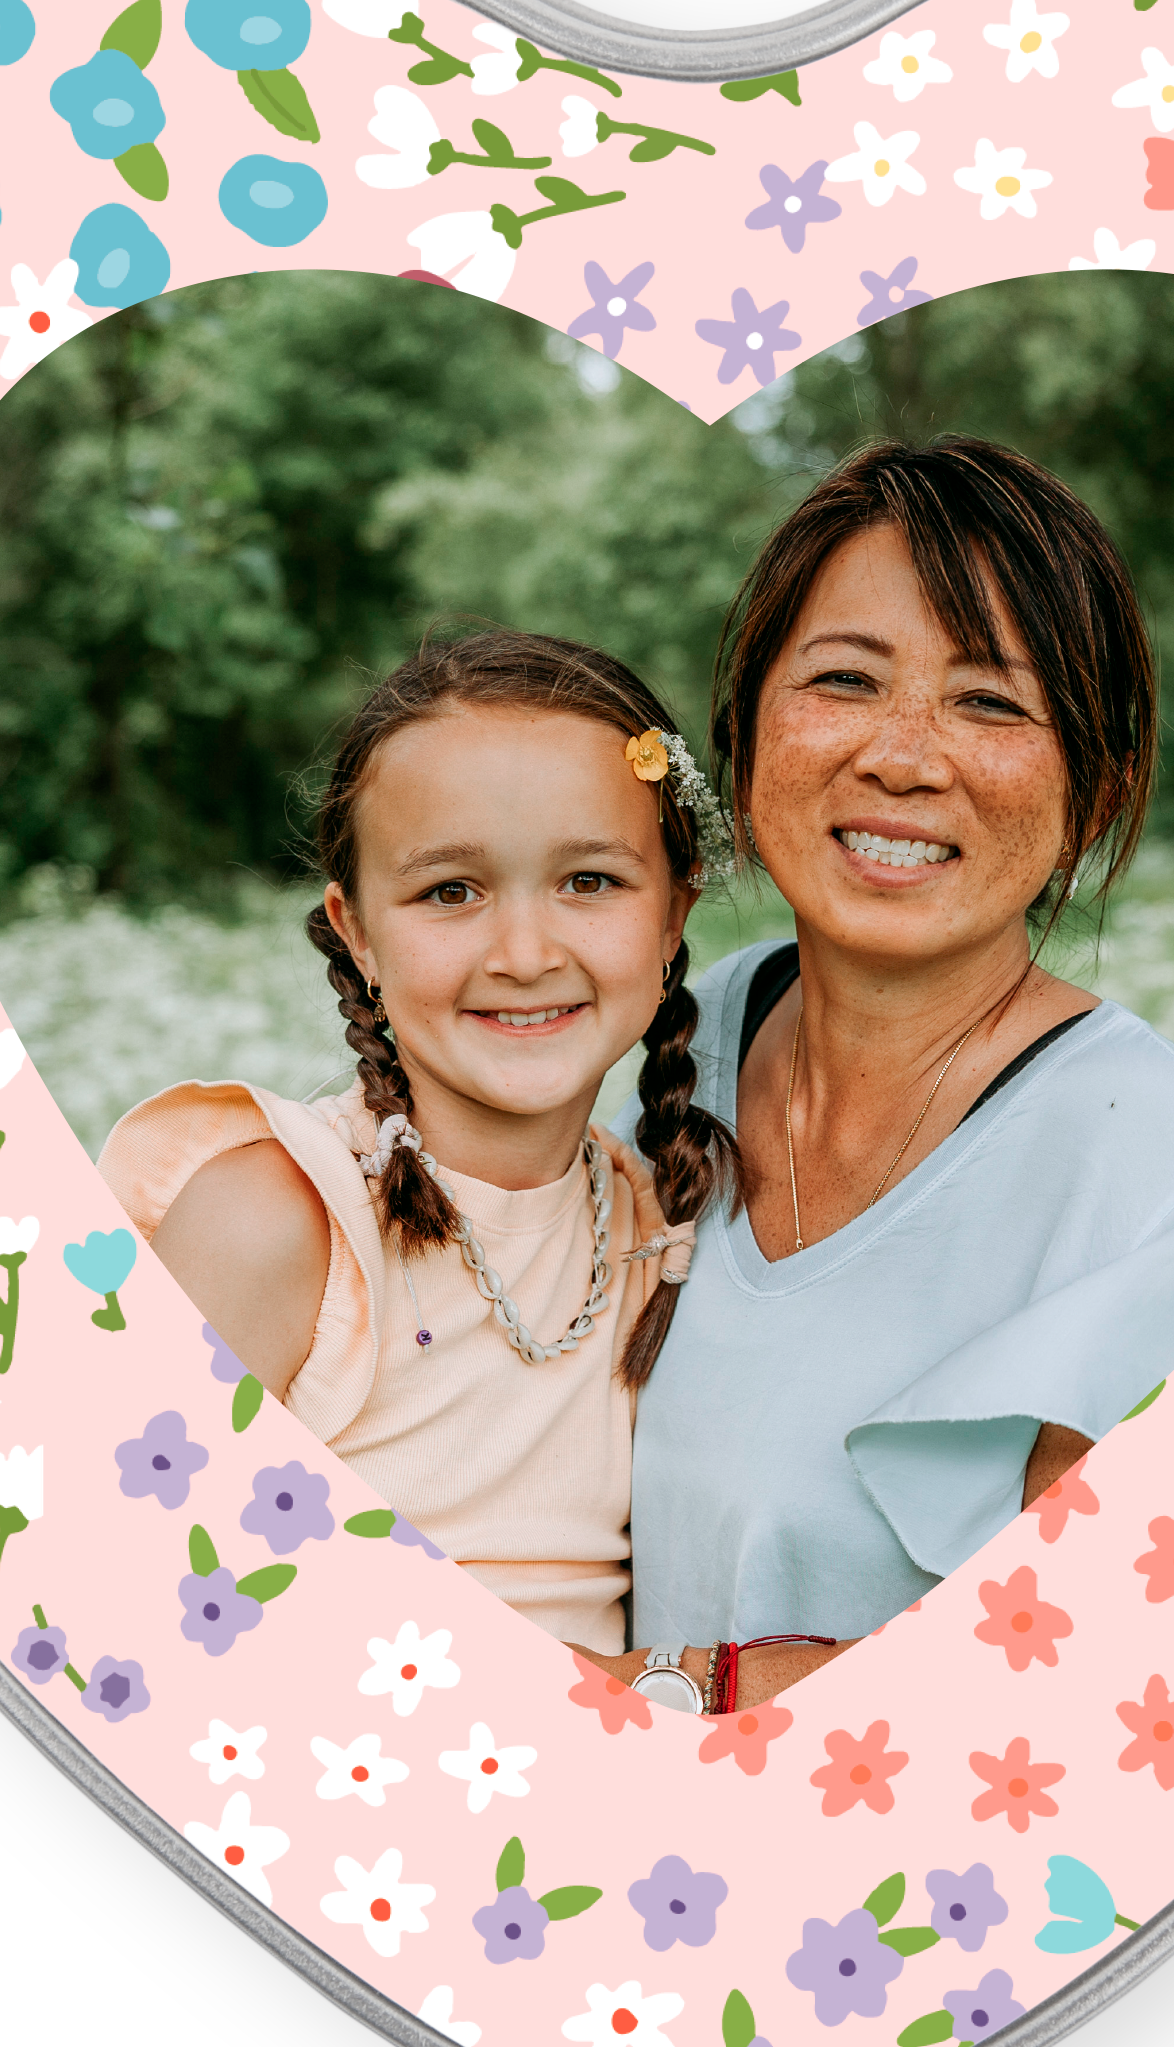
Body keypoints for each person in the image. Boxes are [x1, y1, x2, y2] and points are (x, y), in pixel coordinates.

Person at [616, 435, 1174, 1715]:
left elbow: (1108, 1696)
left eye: (990, 703)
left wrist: (680, 1691)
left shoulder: (1136, 1165)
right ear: (747, 724)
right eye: (843, 680)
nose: (903, 755)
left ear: (1097, 790)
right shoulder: (643, 1049)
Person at [94, 630, 730, 1660]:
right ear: (356, 934)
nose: (525, 954)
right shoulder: (279, 1218)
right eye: (450, 892)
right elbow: (102, 1589)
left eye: (591, 882)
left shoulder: (651, 1221)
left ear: (673, 914)